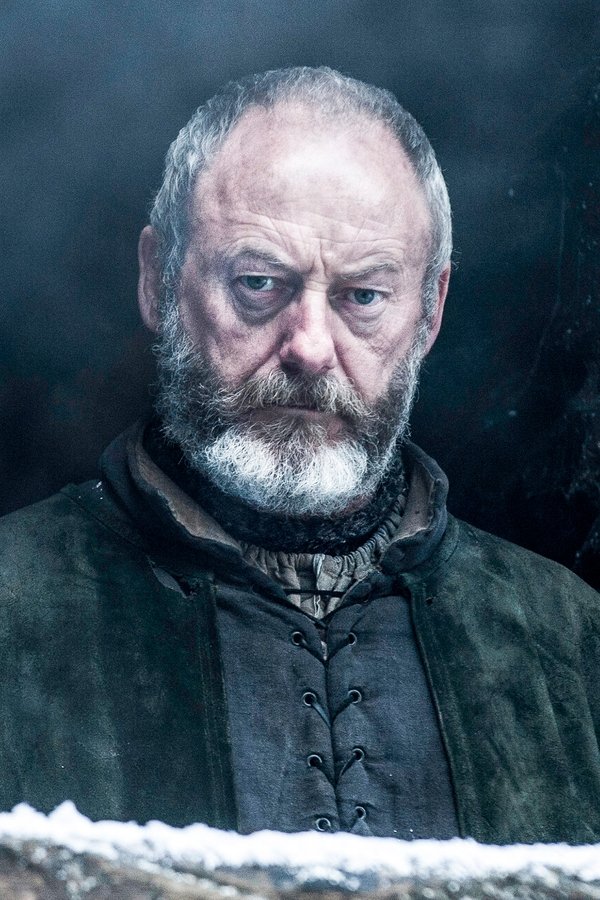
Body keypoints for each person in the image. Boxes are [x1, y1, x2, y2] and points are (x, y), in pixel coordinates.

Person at [0, 66, 599, 845]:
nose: (310, 348)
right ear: (157, 279)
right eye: (258, 283)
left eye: (363, 296)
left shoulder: (573, 641)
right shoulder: (13, 601)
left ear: (430, 314)